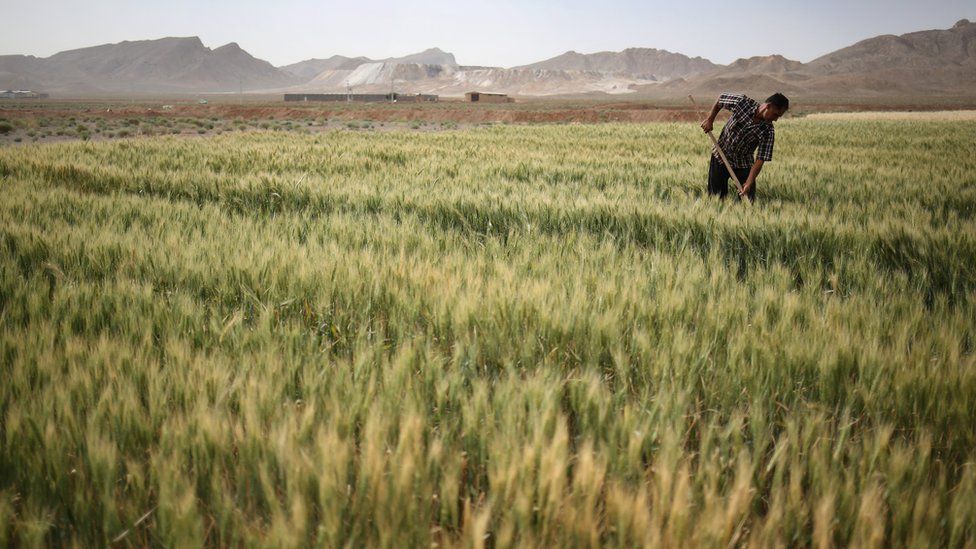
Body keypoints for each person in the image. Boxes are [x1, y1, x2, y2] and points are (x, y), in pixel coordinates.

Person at [700, 92, 789, 201]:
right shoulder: (742, 103)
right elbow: (721, 99)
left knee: (747, 200)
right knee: (716, 198)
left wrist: (749, 182)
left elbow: (760, 159)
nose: (776, 119)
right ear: (767, 106)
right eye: (776, 114)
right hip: (720, 156)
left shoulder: (768, 131)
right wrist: (710, 120)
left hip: (743, 163)